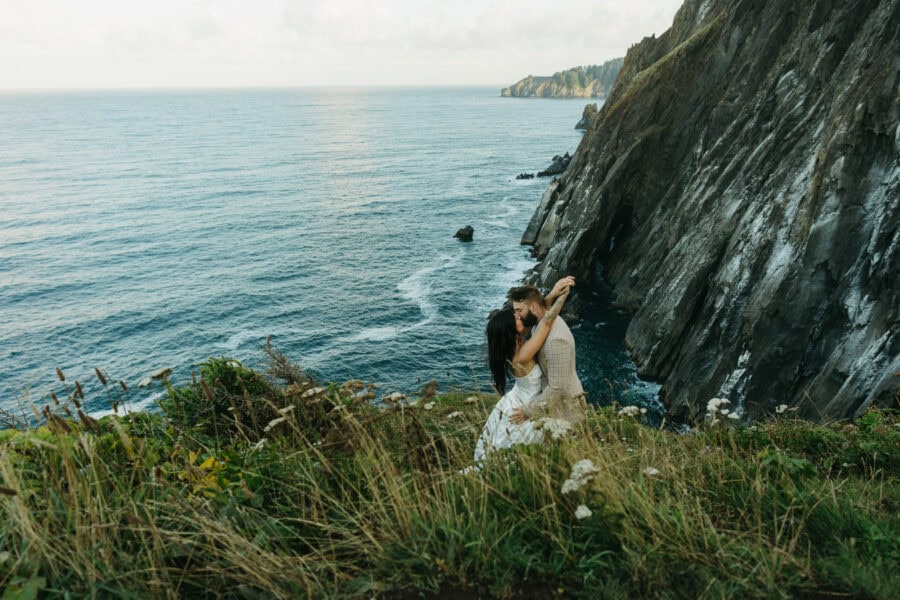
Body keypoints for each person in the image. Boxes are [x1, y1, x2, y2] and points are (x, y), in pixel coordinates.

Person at [471, 277, 575, 466]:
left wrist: (550, 295)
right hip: (525, 403)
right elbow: (547, 322)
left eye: (518, 313)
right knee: (511, 454)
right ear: (512, 331)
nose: (519, 317)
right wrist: (563, 295)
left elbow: (537, 315)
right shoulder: (522, 355)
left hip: (517, 397)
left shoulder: (517, 344)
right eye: (516, 318)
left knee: (501, 449)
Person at [508, 279, 585, 426]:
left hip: (566, 413)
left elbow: (558, 388)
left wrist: (528, 411)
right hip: (550, 409)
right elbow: (545, 310)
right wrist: (554, 293)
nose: (517, 316)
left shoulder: (556, 340)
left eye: (519, 310)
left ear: (534, 308)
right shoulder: (539, 321)